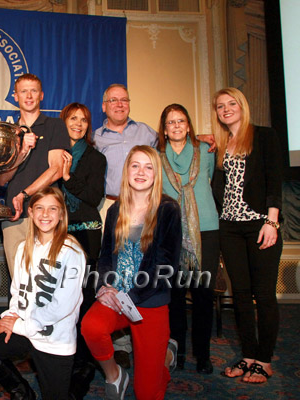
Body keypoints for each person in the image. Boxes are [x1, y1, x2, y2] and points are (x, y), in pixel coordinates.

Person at [81, 145, 182, 400]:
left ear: (156, 174)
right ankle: (115, 375)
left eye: (148, 167)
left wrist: (130, 298)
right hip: (117, 296)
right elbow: (104, 256)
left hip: (149, 300)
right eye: (135, 165)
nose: (141, 172)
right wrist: (104, 287)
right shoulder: (115, 210)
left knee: (147, 393)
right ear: (126, 171)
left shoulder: (168, 209)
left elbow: (166, 267)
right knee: (91, 327)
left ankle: (166, 356)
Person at [0, 187, 85, 400]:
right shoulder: (24, 247)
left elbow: (63, 306)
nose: (45, 214)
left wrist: (21, 325)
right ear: (30, 213)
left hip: (54, 339)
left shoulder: (72, 251)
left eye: (53, 209)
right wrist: (11, 315)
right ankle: (22, 393)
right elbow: (18, 289)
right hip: (25, 329)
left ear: (61, 214)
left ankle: (81, 380)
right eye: (39, 208)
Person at [211, 88, 283, 384]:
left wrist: (272, 221)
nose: (226, 109)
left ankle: (264, 360)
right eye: (219, 106)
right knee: (239, 295)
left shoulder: (264, 136)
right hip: (229, 227)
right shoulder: (221, 145)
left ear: (243, 105)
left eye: (231, 103)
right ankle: (249, 355)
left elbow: (273, 179)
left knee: (263, 294)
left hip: (260, 225)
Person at [92, 83, 157, 368]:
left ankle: (145, 333)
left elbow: (174, 143)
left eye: (124, 100)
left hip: (144, 206)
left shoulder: (146, 133)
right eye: (113, 101)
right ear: (104, 106)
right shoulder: (95, 137)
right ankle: (121, 342)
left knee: (143, 266)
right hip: (110, 205)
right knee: (116, 266)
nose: (119, 104)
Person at [157, 104, 220, 374]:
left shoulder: (206, 151)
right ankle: (178, 351)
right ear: (164, 129)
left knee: (204, 294)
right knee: (176, 296)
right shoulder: (158, 156)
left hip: (206, 229)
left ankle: (203, 355)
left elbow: (211, 180)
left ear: (189, 125)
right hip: (172, 231)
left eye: (181, 121)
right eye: (171, 122)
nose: (176, 126)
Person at [0, 73, 69, 277]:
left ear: (41, 95)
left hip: (47, 213)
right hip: (15, 214)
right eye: (23, 91)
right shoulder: (8, 132)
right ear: (15, 96)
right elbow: (1, 180)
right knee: (18, 277)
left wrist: (24, 194)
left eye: (34, 91)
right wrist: (21, 153)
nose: (29, 96)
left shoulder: (55, 126)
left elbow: (55, 169)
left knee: (49, 277)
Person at [59, 103, 106, 399]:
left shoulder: (95, 157)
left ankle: (85, 363)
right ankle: (65, 355)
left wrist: (66, 177)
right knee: (62, 297)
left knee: (86, 299)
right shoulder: (53, 154)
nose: (78, 124)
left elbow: (92, 195)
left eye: (84, 120)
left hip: (86, 234)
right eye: (72, 119)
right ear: (63, 122)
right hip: (58, 232)